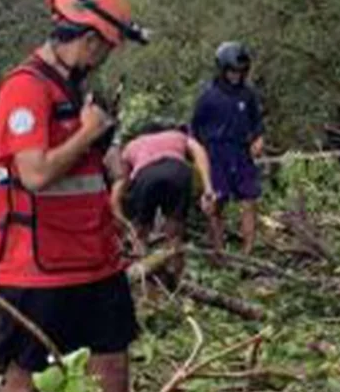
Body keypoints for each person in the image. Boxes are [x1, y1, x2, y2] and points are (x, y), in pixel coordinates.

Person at [0, 0, 168, 392]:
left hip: (94, 259)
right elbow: (36, 173)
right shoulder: (24, 90)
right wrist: (88, 133)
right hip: (35, 267)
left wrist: (107, 154)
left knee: (115, 367)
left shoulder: (75, 91)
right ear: (86, 39)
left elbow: (86, 171)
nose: (104, 59)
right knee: (21, 381)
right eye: (104, 48)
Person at [110, 120, 217, 282]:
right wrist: (208, 188)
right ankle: (175, 272)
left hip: (146, 174)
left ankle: (141, 268)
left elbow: (121, 182)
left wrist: (121, 218)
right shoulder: (177, 135)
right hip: (178, 170)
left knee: (141, 229)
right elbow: (199, 151)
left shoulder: (132, 145)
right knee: (175, 228)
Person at [192, 41, 265, 251]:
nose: (236, 76)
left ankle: (248, 251)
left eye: (240, 72)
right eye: (232, 71)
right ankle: (219, 252)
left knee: (249, 200)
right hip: (216, 154)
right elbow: (195, 131)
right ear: (222, 70)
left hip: (241, 152)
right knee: (217, 203)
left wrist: (258, 139)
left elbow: (257, 122)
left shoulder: (248, 94)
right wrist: (200, 158)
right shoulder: (208, 97)